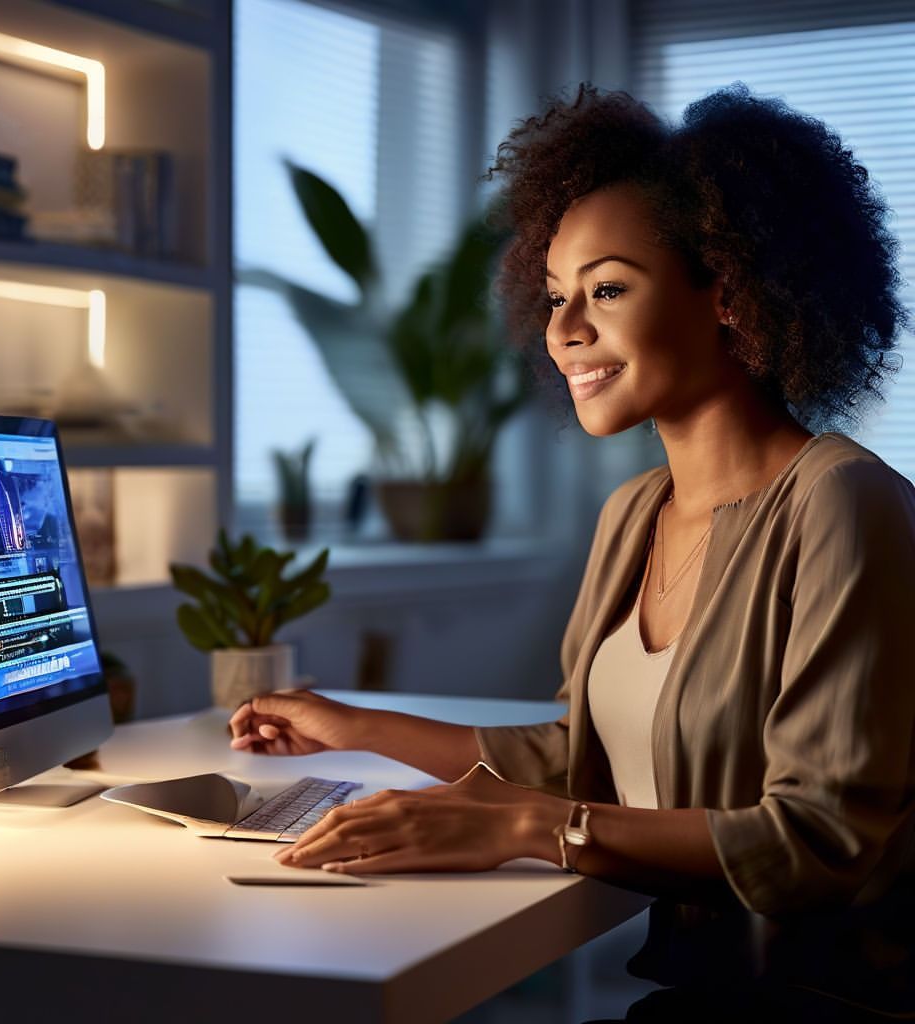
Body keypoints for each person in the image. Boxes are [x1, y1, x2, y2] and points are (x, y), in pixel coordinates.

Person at [231, 83, 915, 1021]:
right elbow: (576, 756)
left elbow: (820, 839)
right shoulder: (634, 512)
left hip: (825, 999)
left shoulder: (843, 502)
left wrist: (523, 826)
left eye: (607, 289)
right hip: (694, 988)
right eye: (556, 296)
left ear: (731, 287)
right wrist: (357, 726)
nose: (561, 331)